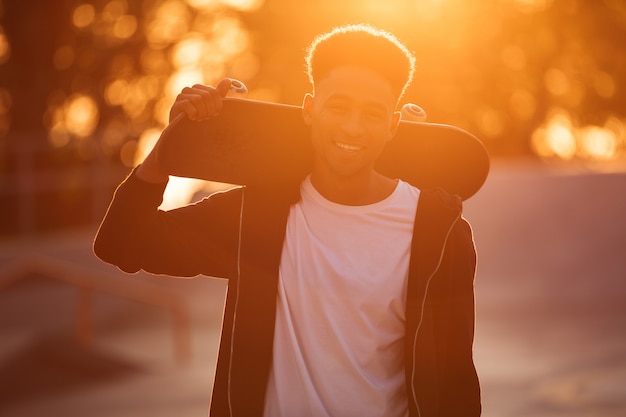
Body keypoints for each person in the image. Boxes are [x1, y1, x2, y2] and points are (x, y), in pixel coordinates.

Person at [94, 24, 481, 417]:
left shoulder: (438, 235)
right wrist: (169, 150)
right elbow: (122, 242)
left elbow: (456, 385)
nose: (352, 127)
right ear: (310, 109)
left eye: (372, 114)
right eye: (339, 106)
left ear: (393, 125)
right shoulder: (257, 218)